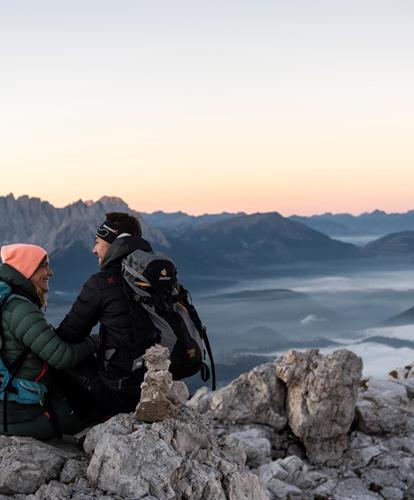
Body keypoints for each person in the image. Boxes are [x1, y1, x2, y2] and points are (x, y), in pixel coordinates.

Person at [56, 212, 154, 418]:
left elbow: (67, 335)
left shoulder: (102, 282)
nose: (93, 249)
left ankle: (79, 424)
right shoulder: (155, 276)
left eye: (97, 242)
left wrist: (93, 343)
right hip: (153, 388)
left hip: (119, 393)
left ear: (114, 244)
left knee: (56, 359)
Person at [0, 244, 96, 440]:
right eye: (44, 266)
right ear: (27, 269)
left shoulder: (9, 300)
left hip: (9, 406)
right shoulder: (20, 308)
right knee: (90, 416)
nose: (50, 272)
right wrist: (95, 342)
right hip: (19, 415)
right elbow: (62, 357)